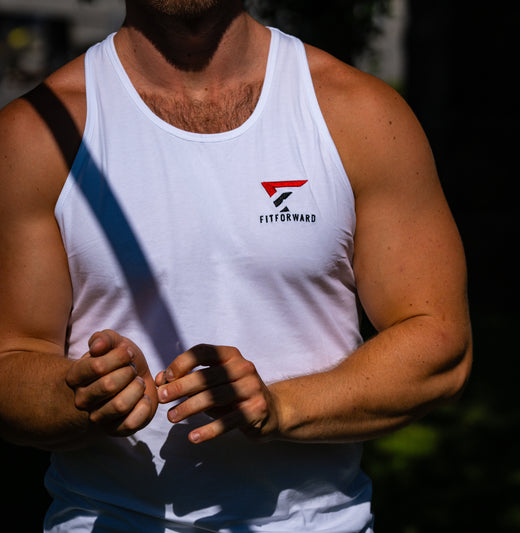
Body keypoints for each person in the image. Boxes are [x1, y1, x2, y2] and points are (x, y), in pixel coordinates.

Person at [0, 1, 472, 531]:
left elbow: (438, 342)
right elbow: (11, 359)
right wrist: (79, 393)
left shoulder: (359, 114)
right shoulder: (34, 136)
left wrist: (280, 406)